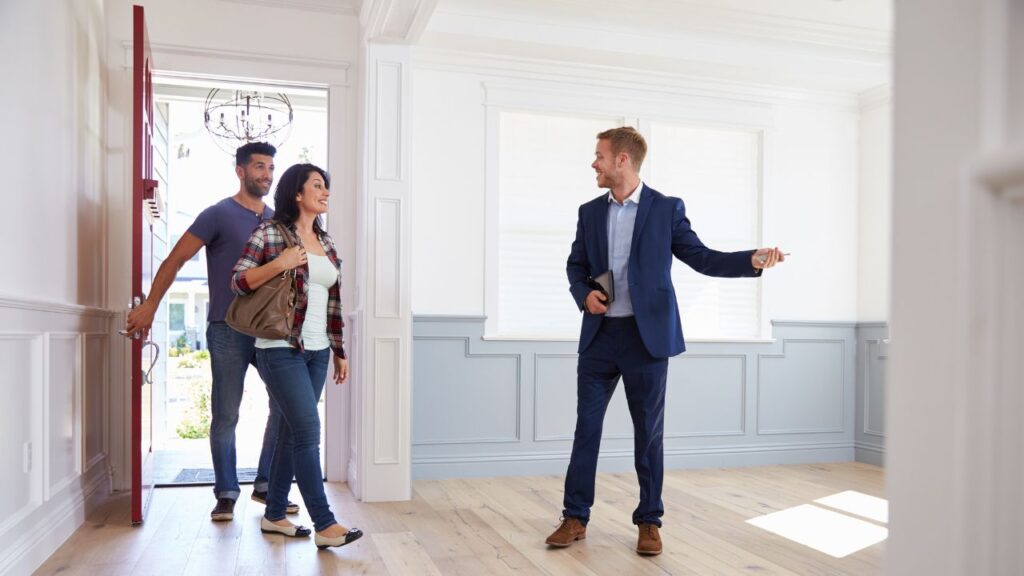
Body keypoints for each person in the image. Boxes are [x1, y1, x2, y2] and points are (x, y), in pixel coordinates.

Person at [545, 127, 785, 556]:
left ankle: (649, 522)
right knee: (587, 429)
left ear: (623, 160)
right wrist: (584, 294)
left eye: (599, 156)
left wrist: (751, 260)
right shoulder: (588, 212)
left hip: (647, 340)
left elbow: (703, 258)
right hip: (599, 339)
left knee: (649, 435)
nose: (594, 164)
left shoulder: (665, 210)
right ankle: (575, 516)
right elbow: (575, 265)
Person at [124, 142, 300, 521]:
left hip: (271, 332)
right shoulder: (218, 214)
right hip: (227, 327)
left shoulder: (278, 222)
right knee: (225, 414)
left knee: (285, 408)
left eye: (270, 168)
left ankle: (268, 485)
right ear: (240, 171)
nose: (266, 174)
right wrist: (151, 305)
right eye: (258, 167)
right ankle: (225, 492)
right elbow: (174, 259)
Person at [231, 163, 362, 549]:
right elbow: (237, 281)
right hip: (280, 349)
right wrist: (280, 263)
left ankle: (274, 515)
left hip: (318, 351)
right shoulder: (270, 233)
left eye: (327, 186)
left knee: (290, 433)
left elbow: (333, 302)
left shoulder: (328, 242)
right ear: (297, 194)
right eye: (318, 186)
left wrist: (340, 351)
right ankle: (324, 524)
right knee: (307, 432)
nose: (326, 193)